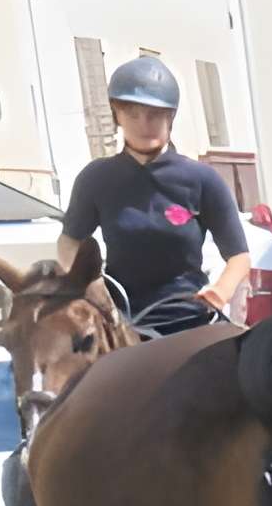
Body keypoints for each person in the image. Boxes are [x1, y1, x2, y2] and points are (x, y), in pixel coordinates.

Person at [58, 55, 249, 333]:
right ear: (117, 115)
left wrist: (221, 290)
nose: (143, 124)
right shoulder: (96, 178)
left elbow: (239, 256)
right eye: (132, 114)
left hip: (193, 318)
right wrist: (87, 282)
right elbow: (68, 242)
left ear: (170, 116)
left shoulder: (202, 179)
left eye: (154, 115)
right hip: (122, 321)